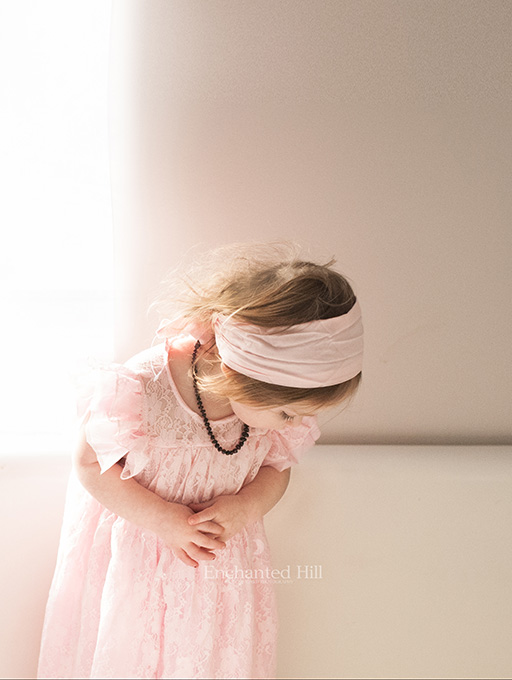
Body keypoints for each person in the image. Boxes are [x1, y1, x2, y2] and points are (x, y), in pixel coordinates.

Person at [37, 242, 364, 678]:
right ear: (241, 374)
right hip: (141, 563)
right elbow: (90, 465)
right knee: (132, 658)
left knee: (205, 661)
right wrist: (163, 519)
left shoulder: (269, 417)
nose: (295, 425)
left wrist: (248, 506)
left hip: (216, 577)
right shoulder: (141, 389)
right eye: (287, 412)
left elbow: (276, 470)